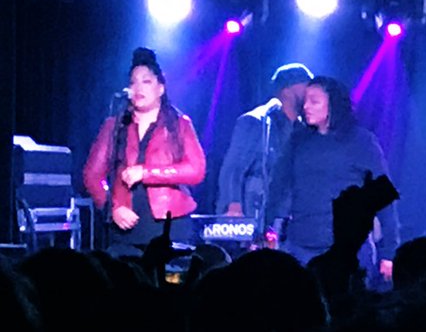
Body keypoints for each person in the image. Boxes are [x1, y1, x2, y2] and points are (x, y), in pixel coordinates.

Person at [264, 76, 399, 285]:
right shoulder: (298, 140)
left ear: (333, 105)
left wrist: (389, 252)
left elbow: (383, 197)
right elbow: (278, 187)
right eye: (305, 101)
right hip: (301, 245)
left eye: (314, 101)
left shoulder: (361, 141)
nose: (306, 106)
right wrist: (267, 227)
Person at [82, 47, 206, 256]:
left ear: (161, 88)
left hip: (170, 225)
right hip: (125, 228)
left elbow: (196, 170)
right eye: (133, 82)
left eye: (146, 81)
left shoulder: (179, 124)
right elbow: (92, 175)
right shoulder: (114, 125)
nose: (138, 87)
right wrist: (113, 207)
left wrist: (146, 172)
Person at [217, 63, 313, 221]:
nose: (310, 92)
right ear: (287, 90)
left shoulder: (303, 130)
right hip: (256, 214)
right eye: (306, 85)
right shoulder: (257, 122)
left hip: (288, 217)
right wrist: (233, 206)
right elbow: (233, 168)